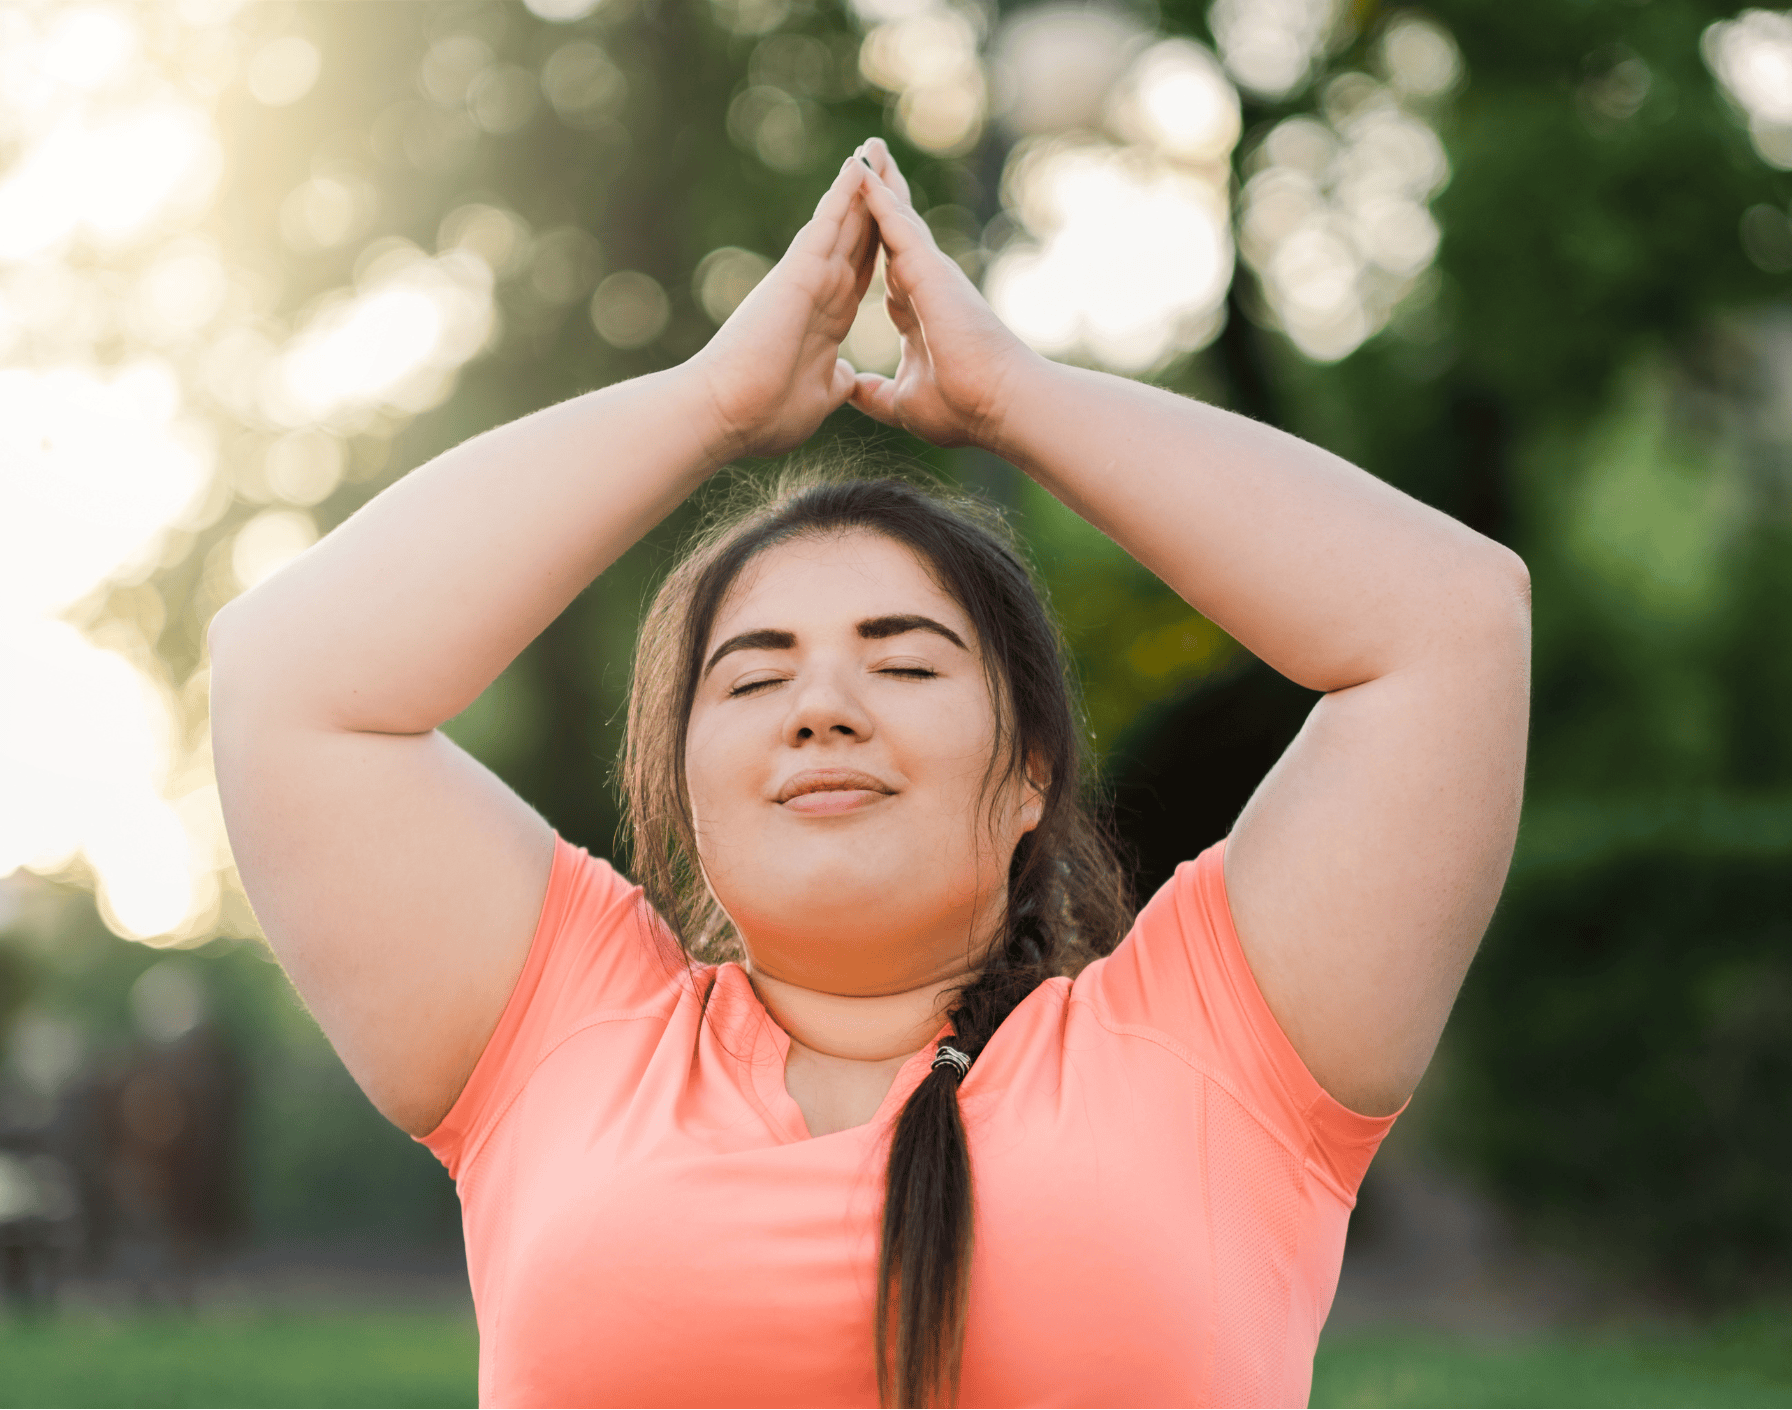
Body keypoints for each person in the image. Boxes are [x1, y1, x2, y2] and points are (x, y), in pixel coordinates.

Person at [208, 138, 1531, 1407]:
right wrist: (708, 404)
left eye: (903, 664)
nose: (824, 705)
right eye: (754, 674)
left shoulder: (1216, 1042)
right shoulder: (560, 1028)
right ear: (684, 785)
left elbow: (1449, 621)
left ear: (1028, 779)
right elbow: (286, 676)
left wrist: (1021, 399)